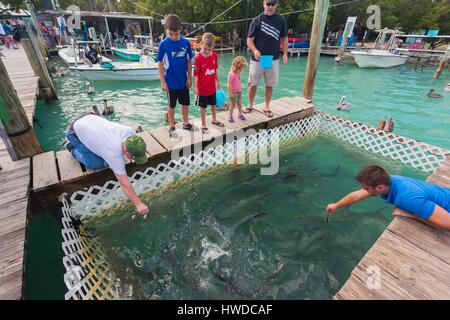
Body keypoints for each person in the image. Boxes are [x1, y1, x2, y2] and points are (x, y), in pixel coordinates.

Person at [65, 113, 150, 217]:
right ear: (126, 150)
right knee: (97, 163)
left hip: (90, 118)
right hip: (73, 131)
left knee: (103, 156)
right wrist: (138, 204)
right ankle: (71, 147)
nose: (133, 159)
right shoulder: (113, 152)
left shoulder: (130, 132)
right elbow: (124, 183)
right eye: (133, 156)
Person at [327, 165, 450, 231]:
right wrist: (337, 205)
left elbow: (448, 224)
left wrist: (411, 215)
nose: (364, 191)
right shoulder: (390, 180)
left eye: (366, 188)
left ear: (379, 188)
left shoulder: (407, 198)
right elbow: (357, 195)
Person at [244, 0, 288, 118]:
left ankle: (267, 107)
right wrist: (254, 50)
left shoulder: (281, 20)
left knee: (269, 84)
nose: (270, 6)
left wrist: (285, 53)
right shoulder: (256, 20)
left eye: (273, 4)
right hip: (258, 58)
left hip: (272, 58)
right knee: (253, 83)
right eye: (268, 4)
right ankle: (250, 105)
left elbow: (284, 38)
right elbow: (249, 40)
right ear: (263, 4)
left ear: (276, 5)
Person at [157, 14, 194, 136]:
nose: (173, 36)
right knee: (171, 105)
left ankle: (185, 122)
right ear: (166, 30)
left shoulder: (185, 43)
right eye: (170, 34)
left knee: (185, 103)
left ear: (180, 30)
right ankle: (172, 126)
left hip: (183, 81)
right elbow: (160, 63)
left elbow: (189, 60)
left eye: (176, 34)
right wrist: (162, 81)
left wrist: (190, 77)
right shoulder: (163, 44)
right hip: (170, 82)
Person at [193, 32, 224, 133]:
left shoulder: (214, 55)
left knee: (213, 104)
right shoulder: (198, 58)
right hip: (202, 88)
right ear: (201, 44)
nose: (207, 51)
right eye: (205, 49)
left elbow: (215, 69)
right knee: (203, 107)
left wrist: (217, 81)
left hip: (212, 87)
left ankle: (214, 119)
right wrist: (195, 87)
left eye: (210, 49)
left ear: (213, 47)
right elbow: (196, 74)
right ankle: (203, 124)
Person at [227, 56, 248, 123]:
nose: (243, 68)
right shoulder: (231, 74)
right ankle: (230, 115)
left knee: (239, 103)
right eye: (242, 66)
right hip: (233, 92)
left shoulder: (238, 71)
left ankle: (240, 114)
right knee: (232, 105)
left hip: (239, 91)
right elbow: (229, 84)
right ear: (238, 65)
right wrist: (230, 93)